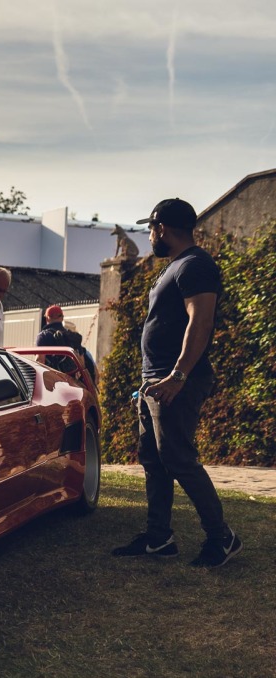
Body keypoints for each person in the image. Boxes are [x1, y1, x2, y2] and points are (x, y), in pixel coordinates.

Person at [112, 198, 241, 568]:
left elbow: (200, 321)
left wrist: (178, 376)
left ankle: (222, 538)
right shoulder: (177, 266)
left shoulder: (196, 265)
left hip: (177, 380)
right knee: (154, 459)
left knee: (179, 459)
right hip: (155, 380)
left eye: (150, 229)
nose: (149, 236)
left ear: (161, 228)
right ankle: (159, 538)